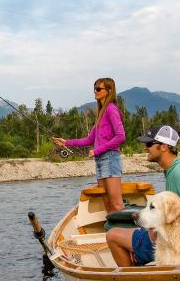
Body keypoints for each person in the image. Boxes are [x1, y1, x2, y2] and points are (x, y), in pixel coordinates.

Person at [105, 125, 180, 266]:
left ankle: (131, 277)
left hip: (176, 241)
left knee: (112, 235)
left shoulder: (179, 172)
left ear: (164, 147)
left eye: (149, 144)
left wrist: (168, 215)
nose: (145, 148)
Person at [53, 78, 126, 213]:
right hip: (100, 161)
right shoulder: (101, 114)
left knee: (116, 204)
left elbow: (121, 136)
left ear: (109, 91)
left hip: (110, 159)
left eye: (98, 89)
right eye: (94, 88)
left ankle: (124, 227)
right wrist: (66, 142)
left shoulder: (111, 109)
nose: (95, 91)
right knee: (107, 205)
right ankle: (111, 227)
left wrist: (97, 151)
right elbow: (88, 140)